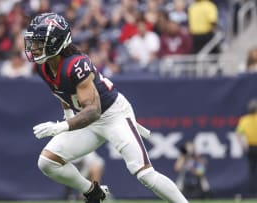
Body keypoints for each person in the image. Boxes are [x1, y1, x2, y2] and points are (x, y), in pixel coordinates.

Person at [25, 12, 188, 203]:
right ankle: (92, 192)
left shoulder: (76, 64)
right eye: (33, 42)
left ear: (56, 42)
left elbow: (94, 110)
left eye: (39, 42)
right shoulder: (43, 66)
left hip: (112, 115)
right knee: (47, 162)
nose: (33, 47)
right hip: (87, 121)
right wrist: (67, 116)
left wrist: (62, 126)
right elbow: (62, 92)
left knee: (145, 174)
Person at [236, 98, 257, 197]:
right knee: (252, 170)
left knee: (252, 170)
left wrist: (243, 144)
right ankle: (253, 192)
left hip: (250, 147)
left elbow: (238, 133)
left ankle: (253, 193)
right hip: (253, 146)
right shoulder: (245, 119)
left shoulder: (244, 119)